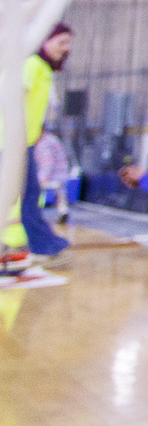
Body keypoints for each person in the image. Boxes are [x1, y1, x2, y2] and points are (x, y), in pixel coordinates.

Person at [3, 22, 74, 266]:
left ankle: (43, 244)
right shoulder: (32, 65)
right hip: (12, 142)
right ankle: (45, 246)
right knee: (27, 194)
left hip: (20, 143)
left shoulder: (40, 67)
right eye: (61, 42)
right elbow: (14, 97)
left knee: (28, 195)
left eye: (69, 43)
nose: (66, 48)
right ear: (44, 40)